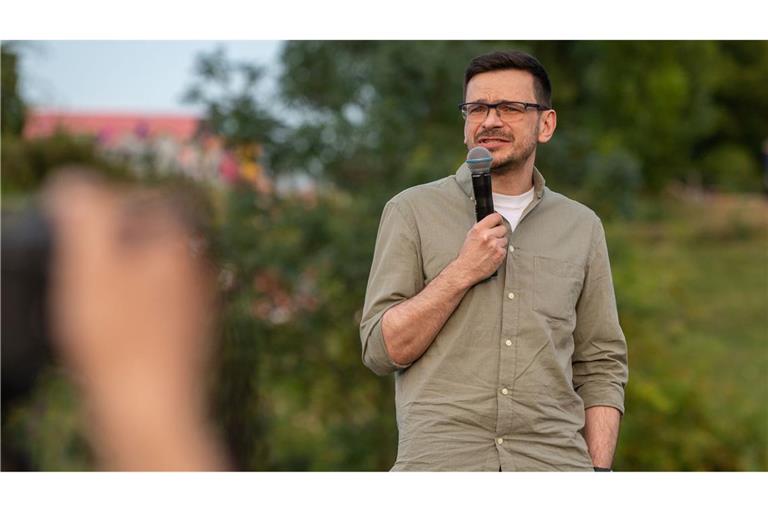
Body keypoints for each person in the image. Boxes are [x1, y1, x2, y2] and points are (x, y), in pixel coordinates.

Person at [360, 50, 628, 471]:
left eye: (510, 108)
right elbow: (381, 349)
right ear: (465, 123)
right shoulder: (410, 211)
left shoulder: (582, 227)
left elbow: (601, 363)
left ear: (546, 124)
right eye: (478, 108)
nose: (490, 120)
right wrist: (463, 271)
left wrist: (598, 472)